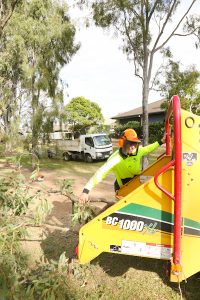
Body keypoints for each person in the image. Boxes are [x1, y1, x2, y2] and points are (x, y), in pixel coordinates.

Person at [79, 128, 165, 204]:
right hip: (122, 188)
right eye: (130, 143)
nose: (133, 147)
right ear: (122, 143)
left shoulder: (138, 151)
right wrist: (86, 191)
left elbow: (148, 148)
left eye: (135, 143)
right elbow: (100, 173)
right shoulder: (115, 159)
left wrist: (161, 141)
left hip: (135, 183)